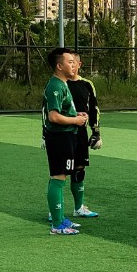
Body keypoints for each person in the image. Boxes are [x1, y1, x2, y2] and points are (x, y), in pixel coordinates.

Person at [42, 47, 89, 235]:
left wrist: (75, 114)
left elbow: (61, 111)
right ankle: (57, 225)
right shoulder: (55, 85)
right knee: (58, 178)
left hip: (65, 136)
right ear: (59, 66)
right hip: (59, 137)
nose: (74, 65)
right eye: (70, 62)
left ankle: (60, 218)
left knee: (60, 178)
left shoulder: (62, 84)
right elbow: (53, 116)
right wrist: (75, 120)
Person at [64, 52, 101, 218]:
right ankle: (55, 210)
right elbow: (48, 110)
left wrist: (96, 133)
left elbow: (94, 109)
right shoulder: (60, 84)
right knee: (60, 172)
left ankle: (78, 208)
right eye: (69, 62)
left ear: (80, 64)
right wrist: (44, 134)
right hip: (63, 134)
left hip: (80, 134)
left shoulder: (87, 84)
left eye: (74, 63)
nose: (71, 66)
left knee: (79, 170)